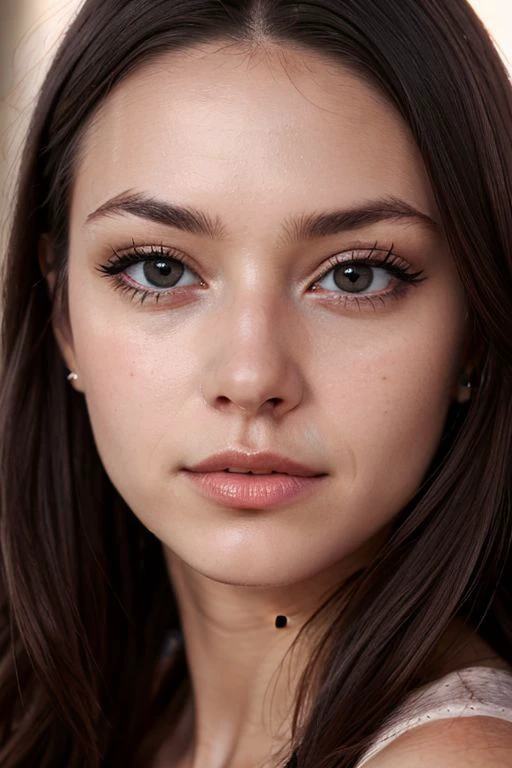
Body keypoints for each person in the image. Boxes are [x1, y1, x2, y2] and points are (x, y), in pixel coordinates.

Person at [0, 0, 511, 766]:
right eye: (158, 268)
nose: (251, 376)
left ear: (473, 329)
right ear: (60, 307)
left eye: (355, 274)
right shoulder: (99, 710)